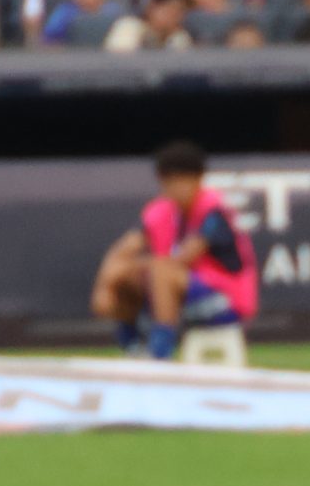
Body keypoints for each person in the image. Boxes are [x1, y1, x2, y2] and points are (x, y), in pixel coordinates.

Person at [90, 140, 259, 361]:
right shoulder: (160, 210)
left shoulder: (214, 209)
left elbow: (183, 260)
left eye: (178, 181)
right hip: (178, 299)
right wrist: (105, 285)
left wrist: (139, 266)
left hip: (225, 302)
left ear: (197, 179)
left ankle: (160, 356)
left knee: (160, 271)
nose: (172, 189)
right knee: (125, 277)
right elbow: (122, 250)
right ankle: (134, 351)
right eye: (166, 182)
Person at [105, 0, 193, 50]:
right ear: (151, 7)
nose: (173, 15)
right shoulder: (129, 26)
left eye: (179, 11)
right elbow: (120, 63)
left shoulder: (179, 38)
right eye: (168, 9)